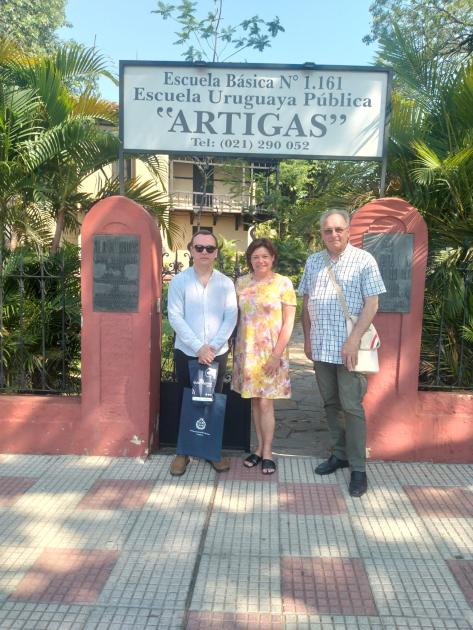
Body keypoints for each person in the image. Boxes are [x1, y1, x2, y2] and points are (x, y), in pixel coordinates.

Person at [299, 209, 386, 497]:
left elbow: (372, 304)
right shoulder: (313, 262)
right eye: (327, 230)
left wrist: (352, 340)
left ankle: (358, 468)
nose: (333, 234)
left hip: (350, 349)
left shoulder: (364, 261)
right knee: (330, 404)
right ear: (321, 233)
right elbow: (307, 303)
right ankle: (339, 454)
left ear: (348, 231)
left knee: (351, 406)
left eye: (338, 229)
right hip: (322, 347)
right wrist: (308, 339)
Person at [167, 229, 238, 476]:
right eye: (200, 248)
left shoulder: (226, 283)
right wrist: (198, 347)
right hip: (187, 352)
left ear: (216, 252)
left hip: (216, 353)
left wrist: (213, 347)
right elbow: (175, 316)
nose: (204, 252)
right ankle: (182, 452)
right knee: (186, 400)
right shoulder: (179, 282)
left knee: (212, 402)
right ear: (191, 251)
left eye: (210, 248)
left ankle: (211, 450)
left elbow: (231, 317)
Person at [231, 238, 297, 475]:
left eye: (265, 256)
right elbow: (233, 316)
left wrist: (276, 355)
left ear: (273, 258)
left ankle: (267, 451)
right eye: (256, 256)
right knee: (254, 402)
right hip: (247, 352)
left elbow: (289, 322)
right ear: (250, 259)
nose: (260, 260)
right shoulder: (241, 283)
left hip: (271, 353)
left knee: (266, 402)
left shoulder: (283, 284)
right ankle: (258, 448)